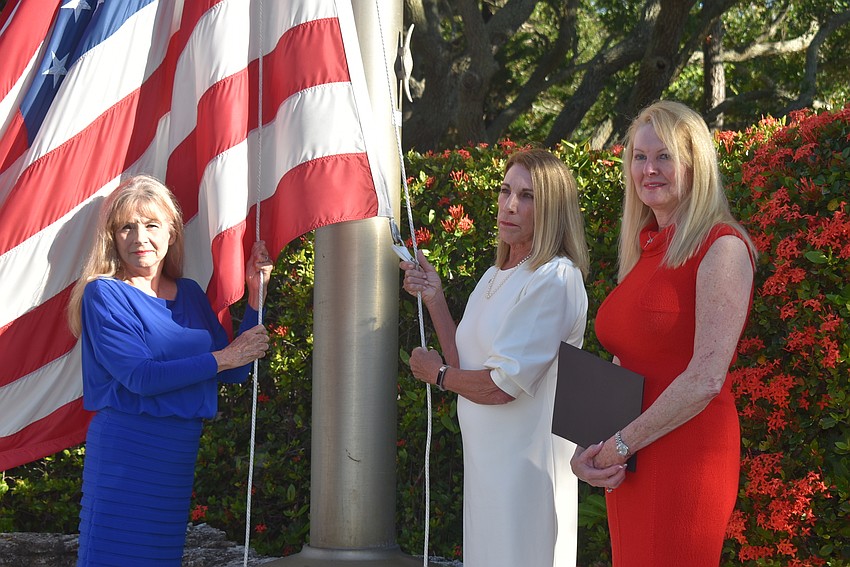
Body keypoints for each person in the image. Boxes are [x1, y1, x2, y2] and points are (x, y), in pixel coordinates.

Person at [570, 100, 757, 566]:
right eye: (639, 156)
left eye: (664, 156)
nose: (648, 169)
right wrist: (589, 447)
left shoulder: (722, 247)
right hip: (630, 458)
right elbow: (624, 362)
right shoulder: (645, 251)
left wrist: (618, 445)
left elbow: (705, 379)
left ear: (696, 166)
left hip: (685, 455)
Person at [67, 175, 273, 566]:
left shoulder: (190, 292)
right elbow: (141, 377)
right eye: (126, 227)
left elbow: (233, 371)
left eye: (151, 225)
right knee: (114, 556)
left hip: (176, 450)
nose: (139, 237)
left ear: (172, 232)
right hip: (127, 447)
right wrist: (226, 357)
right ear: (113, 237)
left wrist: (256, 296)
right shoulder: (104, 293)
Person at [401, 149, 589, 567]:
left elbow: (501, 387)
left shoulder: (554, 278)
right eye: (506, 191)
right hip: (487, 468)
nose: (510, 205)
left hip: (525, 474)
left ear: (553, 210)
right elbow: (466, 365)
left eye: (527, 196)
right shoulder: (494, 275)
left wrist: (436, 375)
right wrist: (434, 298)